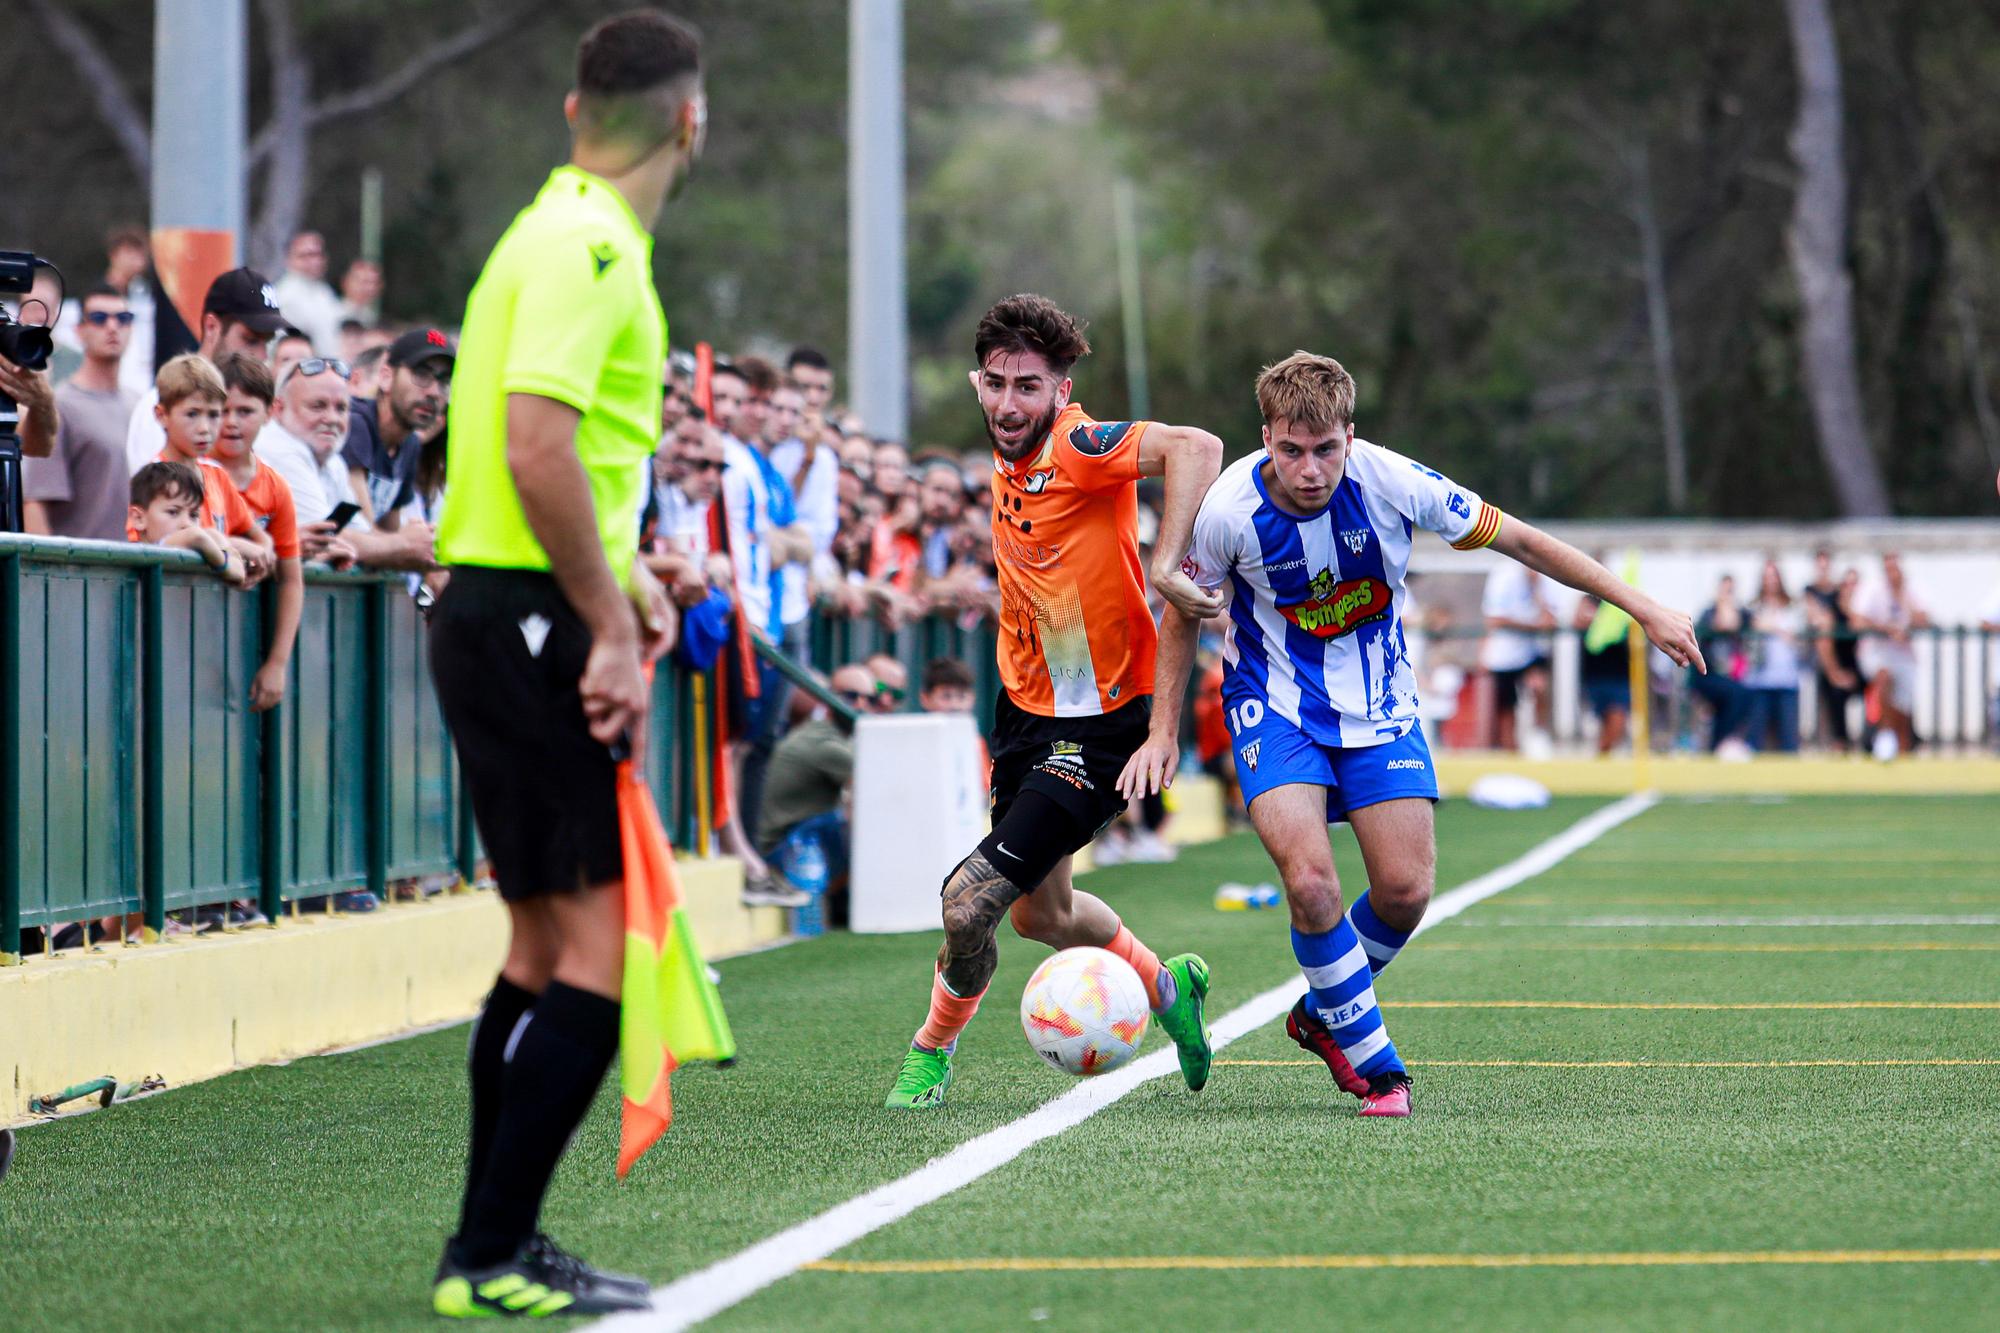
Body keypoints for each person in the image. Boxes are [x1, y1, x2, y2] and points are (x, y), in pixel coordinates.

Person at [1153, 351, 1703, 1119]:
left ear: (1352, 434)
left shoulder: (1395, 482)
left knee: (1405, 892)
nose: (1310, 469)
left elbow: (1523, 542)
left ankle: (1323, 1014)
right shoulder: (1226, 509)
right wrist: (1161, 731)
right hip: (1272, 706)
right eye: (1290, 450)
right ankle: (1379, 1067)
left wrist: (1640, 605)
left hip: (1381, 705)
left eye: (1327, 449)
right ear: (1266, 437)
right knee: (1310, 881)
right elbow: (1181, 607)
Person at [423, 9, 702, 1317]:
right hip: (529, 619)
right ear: (689, 120)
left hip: (491, 606)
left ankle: (490, 1248)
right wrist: (604, 621)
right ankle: (488, 1251)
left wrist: (629, 579)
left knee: (540, 948)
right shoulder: (595, 246)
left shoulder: (545, 230)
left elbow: (539, 463)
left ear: (573, 109)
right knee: (595, 951)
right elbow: (536, 447)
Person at [883, 293, 1222, 1110]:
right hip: (1025, 715)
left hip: (1101, 727)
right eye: (997, 383)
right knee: (1043, 912)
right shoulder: (1006, 449)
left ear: (1062, 392)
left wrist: (1168, 561)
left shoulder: (1080, 444)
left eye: (1028, 386)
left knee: (970, 903)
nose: (1008, 403)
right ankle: (1170, 990)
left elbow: (1198, 446)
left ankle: (931, 1049)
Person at [256, 356, 433, 571]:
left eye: (341, 408)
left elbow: (360, 535)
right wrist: (405, 543)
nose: (332, 418)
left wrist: (414, 542)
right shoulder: (280, 449)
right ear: (278, 409)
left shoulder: (333, 461)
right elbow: (322, 539)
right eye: (317, 406)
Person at [213, 354, 316, 710]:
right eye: (220, 410)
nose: (230, 423)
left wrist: (277, 663)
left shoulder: (275, 487)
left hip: (246, 640)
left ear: (270, 412)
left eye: (245, 411)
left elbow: (291, 578)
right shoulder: (184, 471)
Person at [125, 267, 285, 471]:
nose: (262, 356)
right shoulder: (165, 402)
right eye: (251, 340)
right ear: (212, 327)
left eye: (267, 343)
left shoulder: (261, 406)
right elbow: (155, 496)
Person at [144, 354, 275, 583]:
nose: (205, 428)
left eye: (214, 415)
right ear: (161, 415)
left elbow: (258, 537)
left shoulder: (217, 475)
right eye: (192, 414)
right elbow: (155, 545)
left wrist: (261, 555)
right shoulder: (153, 479)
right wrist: (230, 548)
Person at [23, 284, 136, 540]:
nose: (112, 326)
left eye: (123, 318)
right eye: (98, 318)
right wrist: (48, 575)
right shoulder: (59, 406)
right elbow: (35, 502)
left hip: (135, 571)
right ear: (79, 331)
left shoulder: (140, 406)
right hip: (80, 573)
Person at [756, 661, 869, 907]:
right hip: (778, 849)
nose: (861, 705)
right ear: (828, 697)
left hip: (786, 841)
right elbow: (882, 787)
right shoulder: (824, 743)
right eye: (851, 696)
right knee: (847, 820)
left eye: (869, 698)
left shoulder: (826, 733)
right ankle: (847, 901)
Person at [345, 327, 453, 526]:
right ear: (386, 377)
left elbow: (390, 533)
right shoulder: (355, 422)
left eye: (444, 381)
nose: (434, 392)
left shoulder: (409, 444)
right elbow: (365, 532)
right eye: (422, 375)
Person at [1852, 552, 1929, 758]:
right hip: (1877, 650)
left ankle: (1902, 751)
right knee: (1884, 676)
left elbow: (1924, 618)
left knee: (1903, 710)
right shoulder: (1872, 589)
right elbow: (1858, 619)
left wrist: (1903, 599)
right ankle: (1884, 735)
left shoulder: (1910, 590)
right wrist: (1886, 629)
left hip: (1904, 655)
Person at [127, 460, 246, 584]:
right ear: (138, 518)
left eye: (193, 515)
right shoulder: (134, 553)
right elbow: (196, 536)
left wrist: (222, 546)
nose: (187, 523)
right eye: (173, 512)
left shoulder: (197, 541)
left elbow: (211, 535)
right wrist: (225, 564)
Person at [1479, 560, 1553, 750]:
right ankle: (1511, 749)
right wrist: (1532, 626)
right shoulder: (1503, 576)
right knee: (1507, 707)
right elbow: (1495, 619)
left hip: (1532, 650)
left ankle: (1538, 737)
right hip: (1505, 655)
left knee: (1539, 688)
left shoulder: (1541, 579)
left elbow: (1550, 618)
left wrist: (1536, 587)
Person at [1802, 548, 1861, 752]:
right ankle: (1835, 742)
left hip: (1847, 659)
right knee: (1831, 693)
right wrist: (1834, 673)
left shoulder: (1840, 598)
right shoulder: (1810, 591)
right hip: (1825, 661)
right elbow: (1819, 627)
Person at [1742, 559, 1803, 752]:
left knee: (1788, 739)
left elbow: (1798, 639)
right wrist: (1779, 630)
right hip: (1759, 680)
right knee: (1755, 738)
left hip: (1787, 679)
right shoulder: (1754, 607)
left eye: (1773, 577)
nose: (1770, 582)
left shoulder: (1793, 608)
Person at [1693, 575, 1752, 751]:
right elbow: (1726, 624)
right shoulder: (1708, 613)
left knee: (1734, 701)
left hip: (1730, 678)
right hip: (1707, 676)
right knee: (1738, 694)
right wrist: (1723, 603)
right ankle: (1720, 743)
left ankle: (1718, 745)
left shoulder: (1742, 612)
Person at [1572, 588, 1631, 755]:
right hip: (1594, 674)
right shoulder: (1586, 598)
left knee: (1617, 719)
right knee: (1603, 721)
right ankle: (1602, 758)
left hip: (1619, 674)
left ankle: (1602, 756)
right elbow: (1577, 620)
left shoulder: (1619, 600)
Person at [271, 230, 345, 355]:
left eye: (318, 255)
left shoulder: (323, 291)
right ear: (288, 259)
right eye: (305, 256)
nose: (314, 261)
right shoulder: (286, 295)